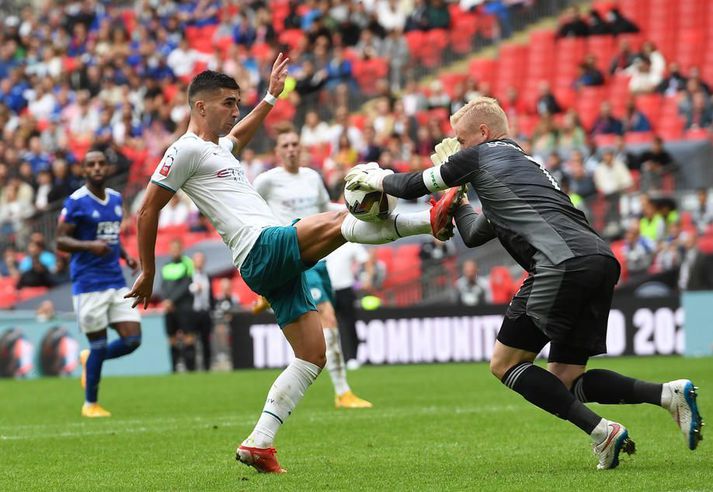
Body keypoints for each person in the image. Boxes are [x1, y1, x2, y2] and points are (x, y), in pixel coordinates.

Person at [124, 58, 462, 473]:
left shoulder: (215, 150)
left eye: (237, 103)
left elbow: (238, 138)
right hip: (260, 247)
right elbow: (147, 211)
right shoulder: (184, 149)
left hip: (267, 262)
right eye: (229, 103)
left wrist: (269, 98)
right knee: (341, 219)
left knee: (312, 354)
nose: (235, 111)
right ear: (200, 107)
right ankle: (430, 220)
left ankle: (260, 442)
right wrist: (149, 271)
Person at [345, 96, 703, 469]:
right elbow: (474, 233)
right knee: (565, 379)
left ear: (483, 133)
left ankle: (603, 433)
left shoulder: (480, 155)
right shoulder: (522, 165)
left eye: (461, 140)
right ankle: (667, 394)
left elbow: (412, 184)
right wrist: (458, 197)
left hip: (559, 263)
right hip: (598, 260)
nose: (457, 148)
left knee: (505, 363)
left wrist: (374, 178)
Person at [253, 125, 373, 409]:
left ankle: (267, 295)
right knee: (328, 318)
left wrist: (360, 206)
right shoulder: (267, 181)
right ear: (277, 151)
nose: (292, 149)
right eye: (286, 145)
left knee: (319, 324)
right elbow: (249, 211)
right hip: (292, 255)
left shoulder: (311, 178)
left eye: (295, 143)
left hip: (318, 260)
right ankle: (343, 392)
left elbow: (325, 208)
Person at [56, 150, 142, 418]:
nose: (96, 168)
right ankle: (90, 404)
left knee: (132, 340)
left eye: (101, 164)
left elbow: (112, 237)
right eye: (90, 164)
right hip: (88, 283)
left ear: (108, 168)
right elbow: (60, 241)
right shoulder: (76, 202)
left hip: (115, 281)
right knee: (99, 345)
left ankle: (90, 360)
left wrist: (126, 256)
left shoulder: (116, 200)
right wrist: (89, 245)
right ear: (84, 171)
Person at [160, 239, 196, 372]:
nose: (174, 251)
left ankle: (191, 369)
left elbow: (186, 285)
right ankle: (174, 369)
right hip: (170, 308)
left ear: (181, 249)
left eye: (177, 248)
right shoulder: (166, 266)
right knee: (172, 338)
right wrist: (165, 301)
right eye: (172, 249)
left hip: (184, 307)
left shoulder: (187, 263)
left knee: (188, 337)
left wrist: (171, 301)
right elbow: (162, 286)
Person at [190, 251, 213, 371]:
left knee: (206, 341)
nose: (199, 263)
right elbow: (185, 292)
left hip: (205, 312)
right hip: (193, 312)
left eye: (201, 260)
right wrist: (194, 288)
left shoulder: (208, 276)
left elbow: (211, 295)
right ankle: (192, 368)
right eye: (197, 260)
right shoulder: (189, 276)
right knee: (192, 341)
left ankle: (207, 367)